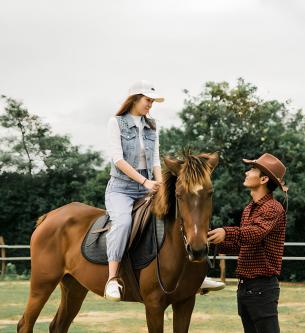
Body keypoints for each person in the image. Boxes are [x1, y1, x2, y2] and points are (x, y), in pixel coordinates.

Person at [104, 80, 225, 302]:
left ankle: (197, 274)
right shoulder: (116, 123)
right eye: (148, 100)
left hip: (148, 186)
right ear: (134, 99)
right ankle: (112, 279)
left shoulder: (152, 125)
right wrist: (145, 182)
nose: (151, 105)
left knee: (184, 215)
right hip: (121, 189)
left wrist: (159, 185)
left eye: (152, 101)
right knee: (122, 223)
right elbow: (118, 159)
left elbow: (156, 160)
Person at [208, 153, 288, 333]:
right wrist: (212, 242)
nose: (247, 173)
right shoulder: (249, 209)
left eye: (252, 169)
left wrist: (225, 232)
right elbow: (242, 244)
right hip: (245, 287)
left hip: (262, 288)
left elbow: (254, 233)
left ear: (264, 179)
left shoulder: (273, 208)